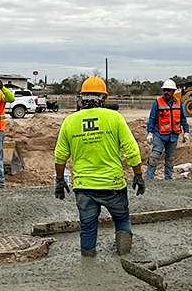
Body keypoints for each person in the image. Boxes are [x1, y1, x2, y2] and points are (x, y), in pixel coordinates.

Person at [53, 76, 145, 258]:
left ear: (82, 97)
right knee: (122, 219)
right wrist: (138, 175)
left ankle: (88, 265)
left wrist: (59, 180)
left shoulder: (70, 122)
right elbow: (132, 151)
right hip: (113, 185)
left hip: (84, 187)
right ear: (105, 97)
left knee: (87, 227)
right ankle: (124, 259)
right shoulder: (114, 118)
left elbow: (59, 156)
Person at [145, 78, 189, 181]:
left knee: (170, 158)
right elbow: (152, 118)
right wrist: (150, 133)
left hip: (173, 135)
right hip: (159, 134)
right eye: (164, 90)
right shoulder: (157, 102)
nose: (166, 92)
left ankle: (168, 179)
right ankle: (149, 179)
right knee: (154, 156)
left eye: (168, 90)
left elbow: (183, 118)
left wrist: (186, 131)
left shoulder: (178, 103)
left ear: (173, 91)